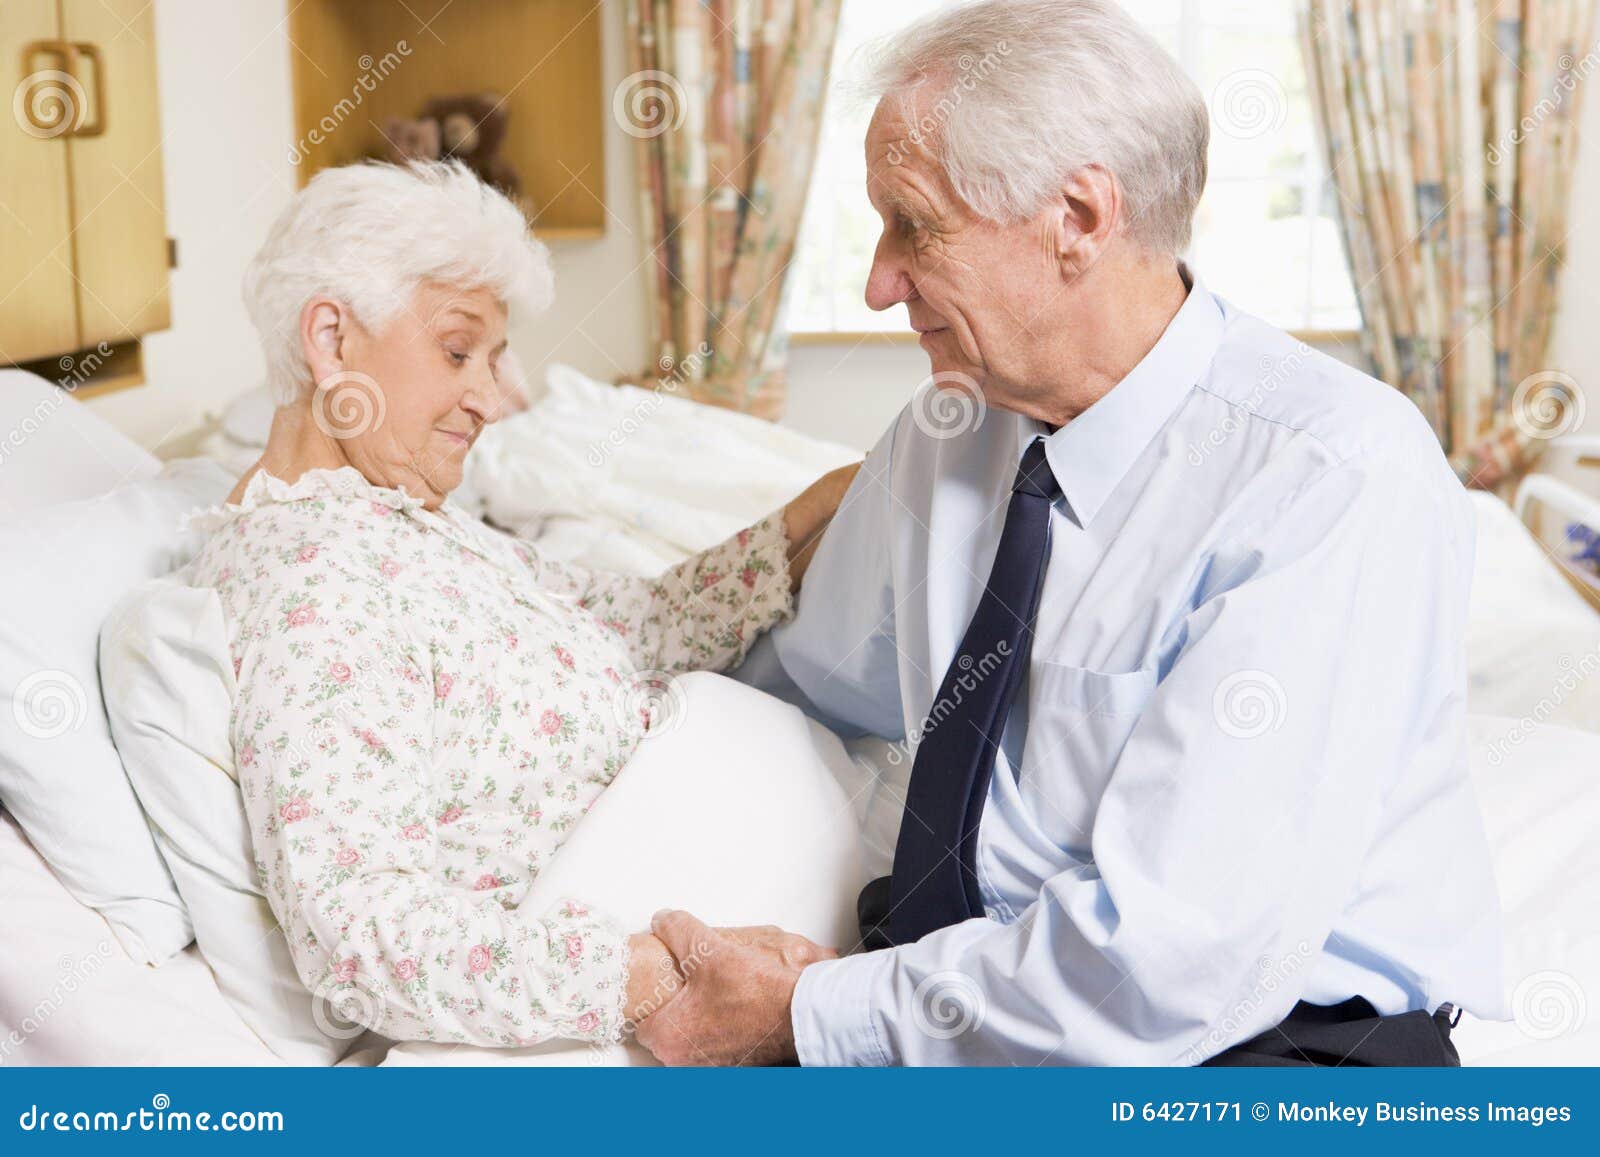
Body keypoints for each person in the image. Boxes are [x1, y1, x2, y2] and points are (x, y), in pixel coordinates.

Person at [636, 0, 1504, 1066]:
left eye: (913, 223)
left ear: (1079, 219)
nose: (877, 283)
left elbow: (1170, 964)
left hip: (1263, 1053)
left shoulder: (1330, 475)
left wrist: (806, 1014)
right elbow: (797, 679)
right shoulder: (943, 435)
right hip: (968, 998)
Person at [190, 159, 849, 1047]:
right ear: (332, 343)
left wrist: (820, 511)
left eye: (495, 360)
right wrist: (664, 978)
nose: (495, 401)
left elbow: (637, 622)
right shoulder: (315, 584)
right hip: (684, 976)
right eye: (460, 352)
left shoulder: (406, 517)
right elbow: (364, 935)